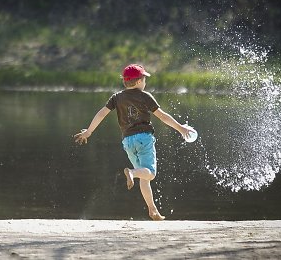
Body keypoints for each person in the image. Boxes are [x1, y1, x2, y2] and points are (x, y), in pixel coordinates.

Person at [73, 63, 192, 221]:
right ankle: (132, 173)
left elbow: (102, 114)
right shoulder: (145, 96)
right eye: (144, 79)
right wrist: (181, 128)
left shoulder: (117, 97)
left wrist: (88, 132)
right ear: (138, 82)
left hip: (128, 142)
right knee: (150, 173)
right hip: (144, 138)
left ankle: (153, 210)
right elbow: (162, 116)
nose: (145, 82)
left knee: (144, 174)